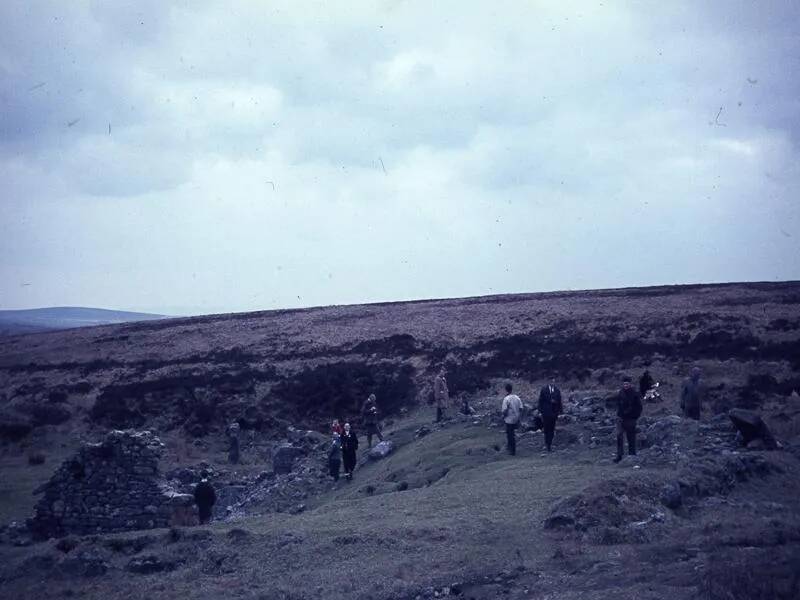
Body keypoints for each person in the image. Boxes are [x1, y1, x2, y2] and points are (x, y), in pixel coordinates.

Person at [614, 376, 643, 463]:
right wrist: (619, 414)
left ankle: (632, 455)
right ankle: (619, 455)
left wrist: (635, 417)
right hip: (621, 418)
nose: (625, 385)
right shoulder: (620, 393)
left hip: (631, 419)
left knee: (631, 437)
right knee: (619, 436)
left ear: (630, 384)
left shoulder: (634, 393)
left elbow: (639, 407)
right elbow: (618, 404)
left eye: (627, 384)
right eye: (624, 384)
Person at [538, 378, 563, 452]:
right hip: (546, 413)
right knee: (546, 428)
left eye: (554, 381)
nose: (553, 382)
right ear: (548, 382)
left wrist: (560, 412)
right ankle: (547, 444)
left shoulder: (557, 391)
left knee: (552, 429)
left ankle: (550, 444)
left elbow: (559, 402)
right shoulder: (544, 390)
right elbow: (540, 401)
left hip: (554, 413)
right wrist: (540, 411)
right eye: (551, 381)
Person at [501, 383, 524, 456]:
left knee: (510, 435)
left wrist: (503, 416)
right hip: (516, 418)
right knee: (512, 434)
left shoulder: (506, 399)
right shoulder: (517, 397)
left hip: (509, 419)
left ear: (506, 390)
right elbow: (521, 408)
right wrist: (518, 415)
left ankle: (512, 450)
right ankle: (510, 448)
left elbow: (504, 410)